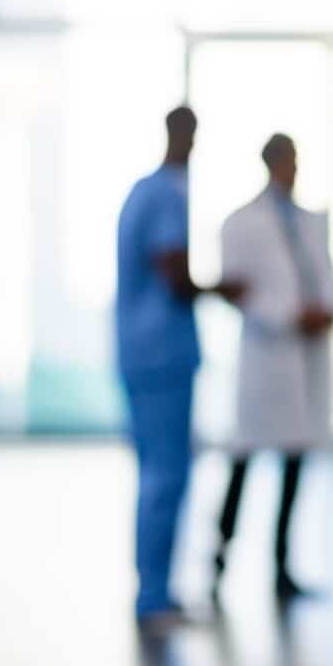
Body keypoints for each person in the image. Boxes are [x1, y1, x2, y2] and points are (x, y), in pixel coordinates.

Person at [116, 106, 245, 631]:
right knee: (166, 475)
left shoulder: (142, 192)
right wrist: (224, 288)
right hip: (162, 355)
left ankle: (154, 592)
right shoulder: (167, 195)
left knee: (156, 472)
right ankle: (154, 599)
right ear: (186, 136)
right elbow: (175, 275)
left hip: (140, 352)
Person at [213, 134, 333, 602]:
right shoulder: (241, 223)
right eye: (288, 162)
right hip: (267, 356)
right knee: (243, 460)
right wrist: (290, 314)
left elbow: (324, 277)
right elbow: (237, 289)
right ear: (272, 164)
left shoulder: (309, 222)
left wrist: (324, 311)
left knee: (294, 462)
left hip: (303, 359)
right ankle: (218, 561)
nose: (294, 169)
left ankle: (282, 566)